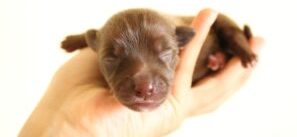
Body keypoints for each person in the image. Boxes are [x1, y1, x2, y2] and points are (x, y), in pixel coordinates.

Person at [18, 9, 264, 137]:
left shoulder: (187, 32)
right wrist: (75, 129)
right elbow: (96, 36)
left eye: (164, 53)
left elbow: (221, 22)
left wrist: (239, 48)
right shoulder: (99, 39)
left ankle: (227, 53)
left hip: (218, 43)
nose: (144, 85)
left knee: (230, 33)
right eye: (113, 57)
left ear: (180, 40)